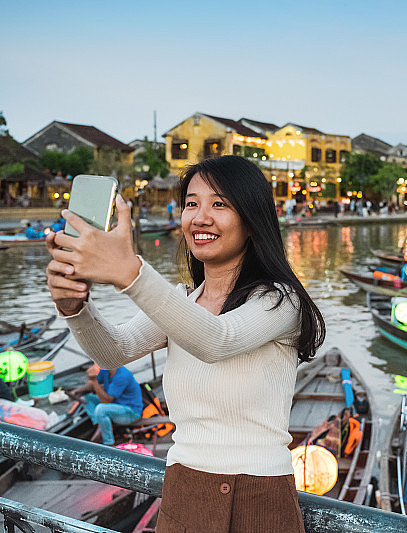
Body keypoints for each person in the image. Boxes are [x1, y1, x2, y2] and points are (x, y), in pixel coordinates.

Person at [45, 155, 324, 532]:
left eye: (219, 204)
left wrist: (131, 273)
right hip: (184, 494)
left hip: (260, 500)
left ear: (251, 219)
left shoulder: (279, 301)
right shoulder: (182, 303)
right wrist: (75, 307)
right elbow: (113, 351)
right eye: (192, 204)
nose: (200, 217)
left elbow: (217, 339)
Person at [70, 364, 143, 446]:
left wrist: (93, 380)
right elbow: (92, 385)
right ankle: (99, 424)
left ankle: (109, 443)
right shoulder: (105, 370)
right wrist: (76, 391)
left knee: (101, 409)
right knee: (86, 398)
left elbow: (106, 401)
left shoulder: (122, 376)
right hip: (115, 405)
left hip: (131, 412)